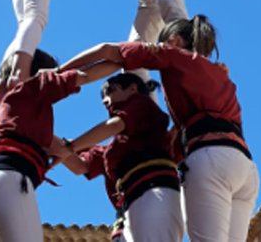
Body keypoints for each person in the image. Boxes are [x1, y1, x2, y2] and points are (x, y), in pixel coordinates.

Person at [56, 16, 259, 242]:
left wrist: (57, 74)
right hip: (244, 166)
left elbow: (107, 51)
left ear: (173, 41)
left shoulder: (173, 56)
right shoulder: (220, 75)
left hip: (208, 158)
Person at [0, 49, 118, 242]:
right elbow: (83, 76)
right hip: (10, 183)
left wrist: (71, 148)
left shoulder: (23, 119)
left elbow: (78, 165)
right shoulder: (33, 87)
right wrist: (123, 61)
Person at [51, 73, 184, 242]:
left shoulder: (142, 105)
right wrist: (47, 138)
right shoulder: (112, 152)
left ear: (133, 89)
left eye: (110, 91)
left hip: (154, 193)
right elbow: (81, 166)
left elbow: (115, 125)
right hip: (128, 213)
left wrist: (71, 146)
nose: (105, 100)